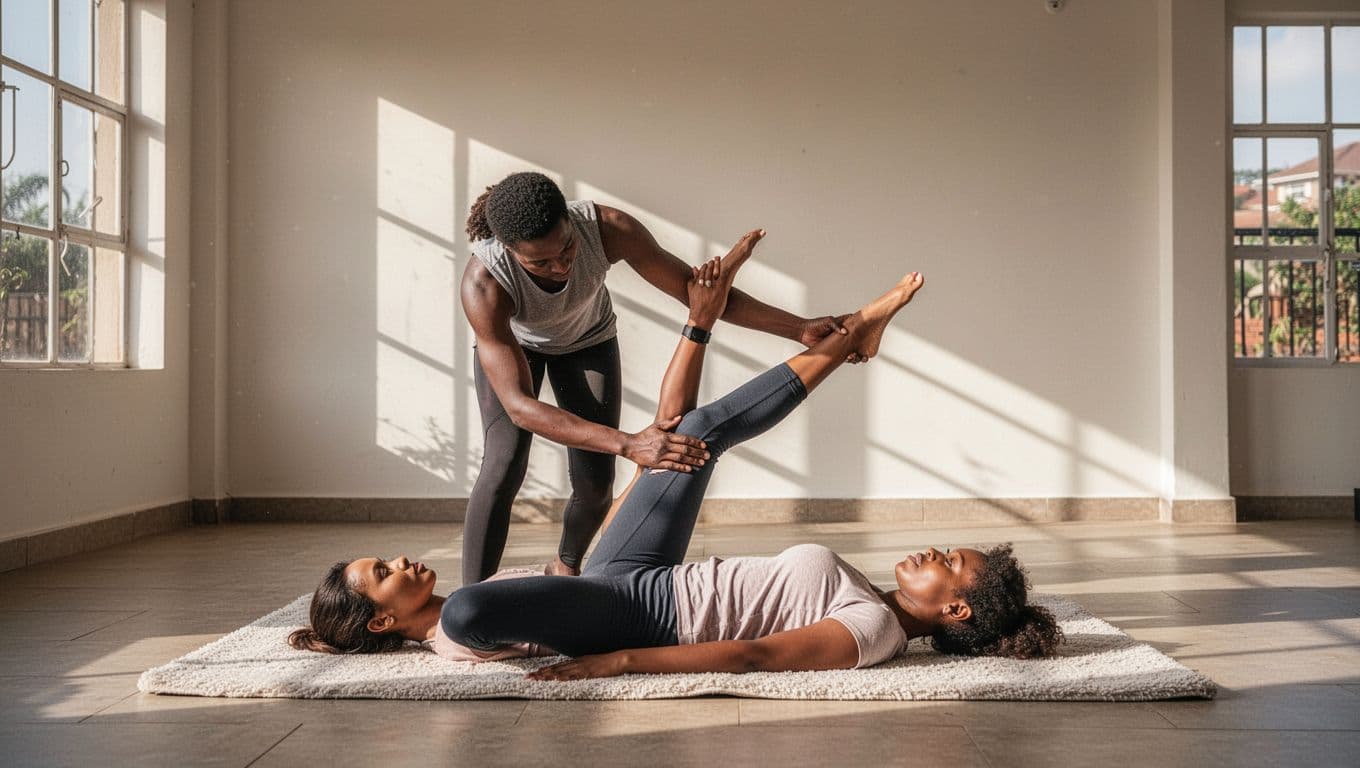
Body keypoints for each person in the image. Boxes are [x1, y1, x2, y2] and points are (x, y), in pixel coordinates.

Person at [291, 245, 1063, 675]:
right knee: (687, 434)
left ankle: (840, 337)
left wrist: (619, 656)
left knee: (683, 435)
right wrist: (614, 650)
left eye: (948, 564)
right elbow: (752, 651)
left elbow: (756, 655)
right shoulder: (869, 614)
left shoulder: (872, 630)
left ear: (954, 611)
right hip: (636, 596)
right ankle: (843, 337)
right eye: (382, 572)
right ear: (385, 619)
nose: (933, 552)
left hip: (634, 601)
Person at [460, 171, 858, 583]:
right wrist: (630, 444)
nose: (560, 266)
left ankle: (567, 571)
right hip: (517, 347)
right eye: (540, 262)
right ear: (507, 248)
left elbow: (699, 295)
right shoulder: (484, 284)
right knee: (504, 463)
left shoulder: (609, 229)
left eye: (567, 248)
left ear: (570, 221)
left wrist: (799, 329)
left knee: (596, 485)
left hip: (586, 340)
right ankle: (465, 607)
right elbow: (520, 407)